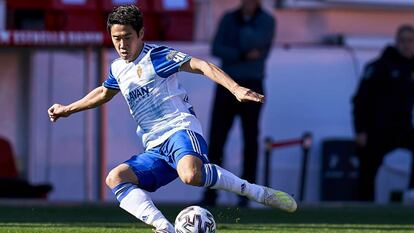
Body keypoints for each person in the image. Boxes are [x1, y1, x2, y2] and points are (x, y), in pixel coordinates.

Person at [47, 5, 296, 233]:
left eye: (127, 38)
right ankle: (164, 228)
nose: (122, 45)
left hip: (180, 130)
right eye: (116, 39)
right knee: (115, 178)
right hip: (154, 146)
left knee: (190, 176)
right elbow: (104, 92)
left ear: (141, 34)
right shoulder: (117, 68)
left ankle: (258, 193)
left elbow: (200, 64)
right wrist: (68, 108)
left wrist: (235, 88)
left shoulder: (157, 57)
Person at [200, 0, 275, 207]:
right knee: (216, 139)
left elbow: (256, 46)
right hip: (227, 84)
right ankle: (210, 192)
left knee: (250, 140)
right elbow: (217, 48)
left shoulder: (266, 21)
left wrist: (235, 45)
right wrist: (242, 53)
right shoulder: (228, 18)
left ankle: (246, 195)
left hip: (252, 84)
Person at [352, 24, 414, 202]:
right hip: (376, 130)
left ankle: (412, 193)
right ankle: (364, 208)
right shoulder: (379, 67)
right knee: (367, 171)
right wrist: (360, 130)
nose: (407, 45)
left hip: (402, 128)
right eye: (403, 41)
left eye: (410, 41)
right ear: (396, 43)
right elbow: (359, 100)